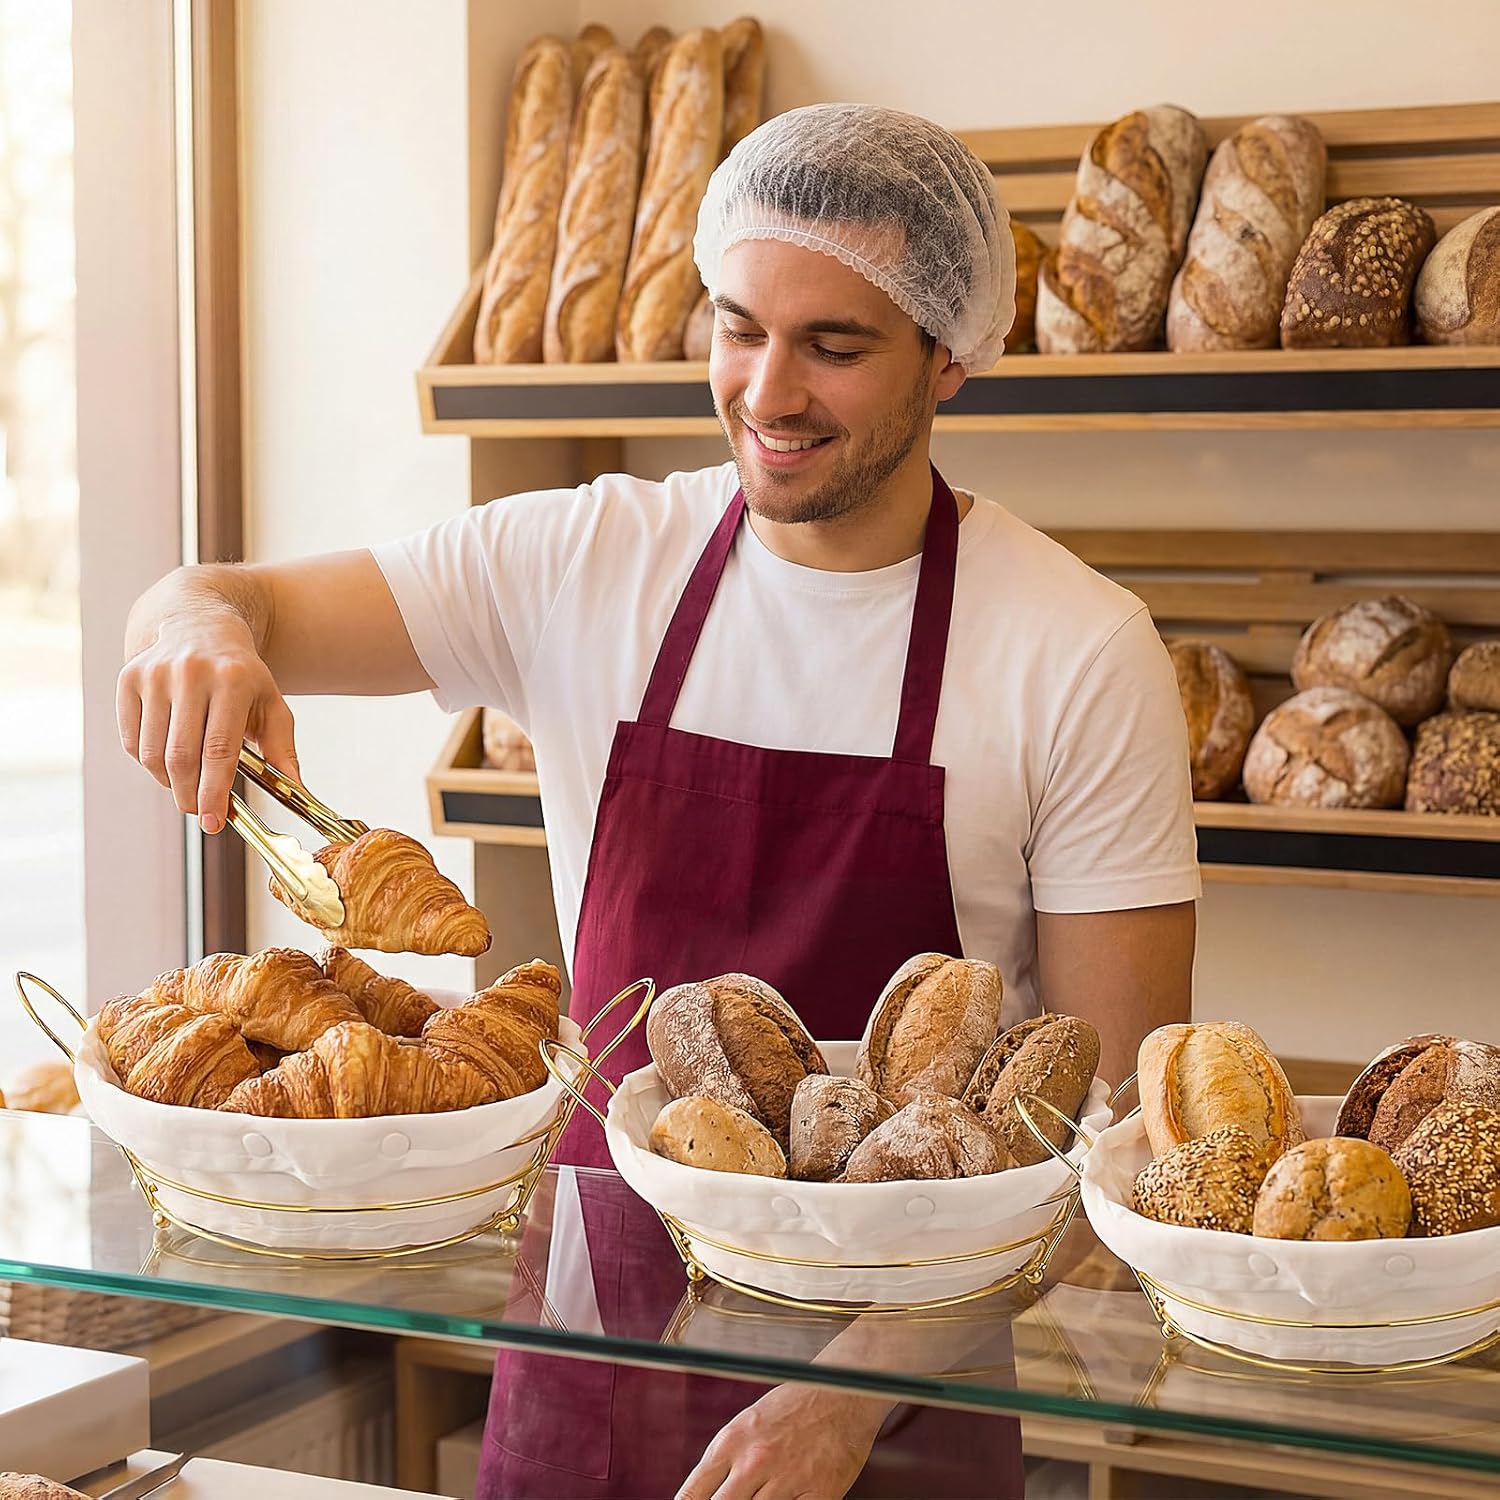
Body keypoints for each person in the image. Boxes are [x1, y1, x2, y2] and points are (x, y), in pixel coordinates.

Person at [119, 104, 1198, 1499]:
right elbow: (227, 597)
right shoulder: (586, 559)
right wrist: (194, 635)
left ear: (951, 353)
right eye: (738, 327)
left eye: (835, 346)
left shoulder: (1078, 649)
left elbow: (1107, 1136)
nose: (767, 390)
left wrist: (848, 1399)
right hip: (589, 1333)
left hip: (898, 1392)